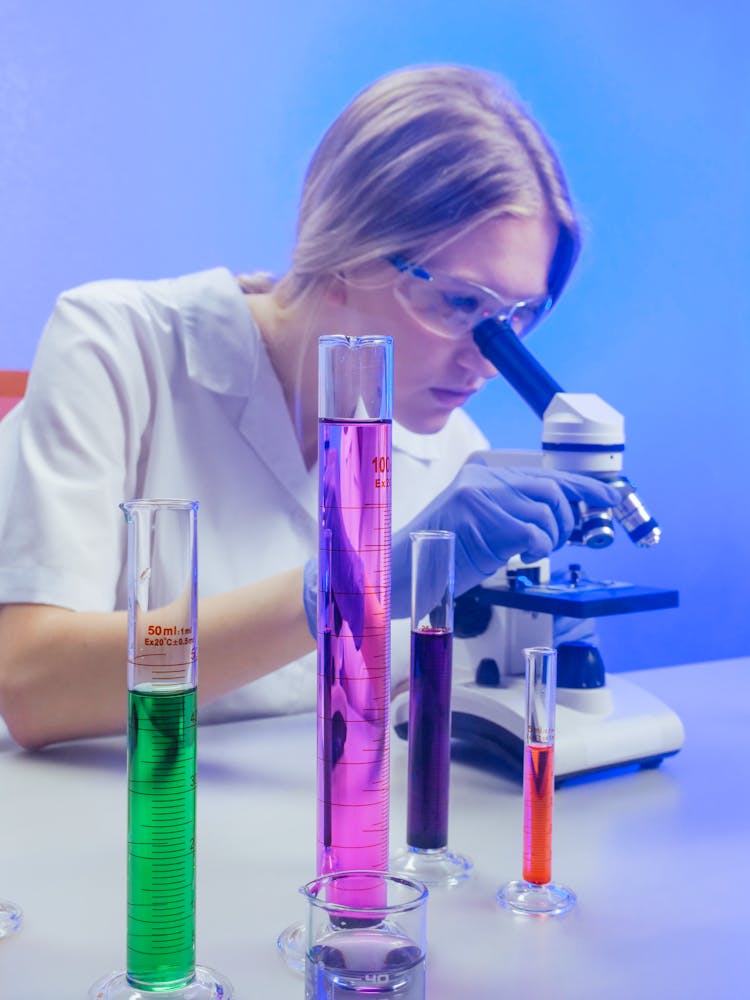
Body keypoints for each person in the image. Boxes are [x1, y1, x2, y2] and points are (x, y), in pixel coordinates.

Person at [0, 64, 618, 750]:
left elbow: (414, 718)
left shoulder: (450, 454)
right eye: (461, 303)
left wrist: (520, 649)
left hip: (319, 843)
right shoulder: (120, 347)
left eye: (519, 316)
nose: (487, 360)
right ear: (349, 253)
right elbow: (34, 686)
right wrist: (345, 587)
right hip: (111, 831)